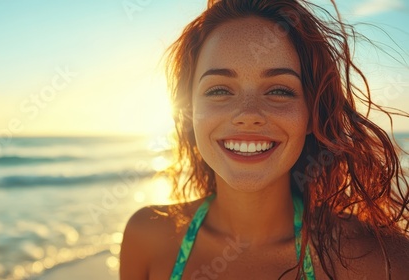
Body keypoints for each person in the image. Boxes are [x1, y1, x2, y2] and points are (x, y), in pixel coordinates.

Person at [120, 0, 409, 279]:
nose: (248, 114)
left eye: (279, 91)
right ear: (189, 110)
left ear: (312, 114)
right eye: (219, 90)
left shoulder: (384, 262)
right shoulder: (146, 236)